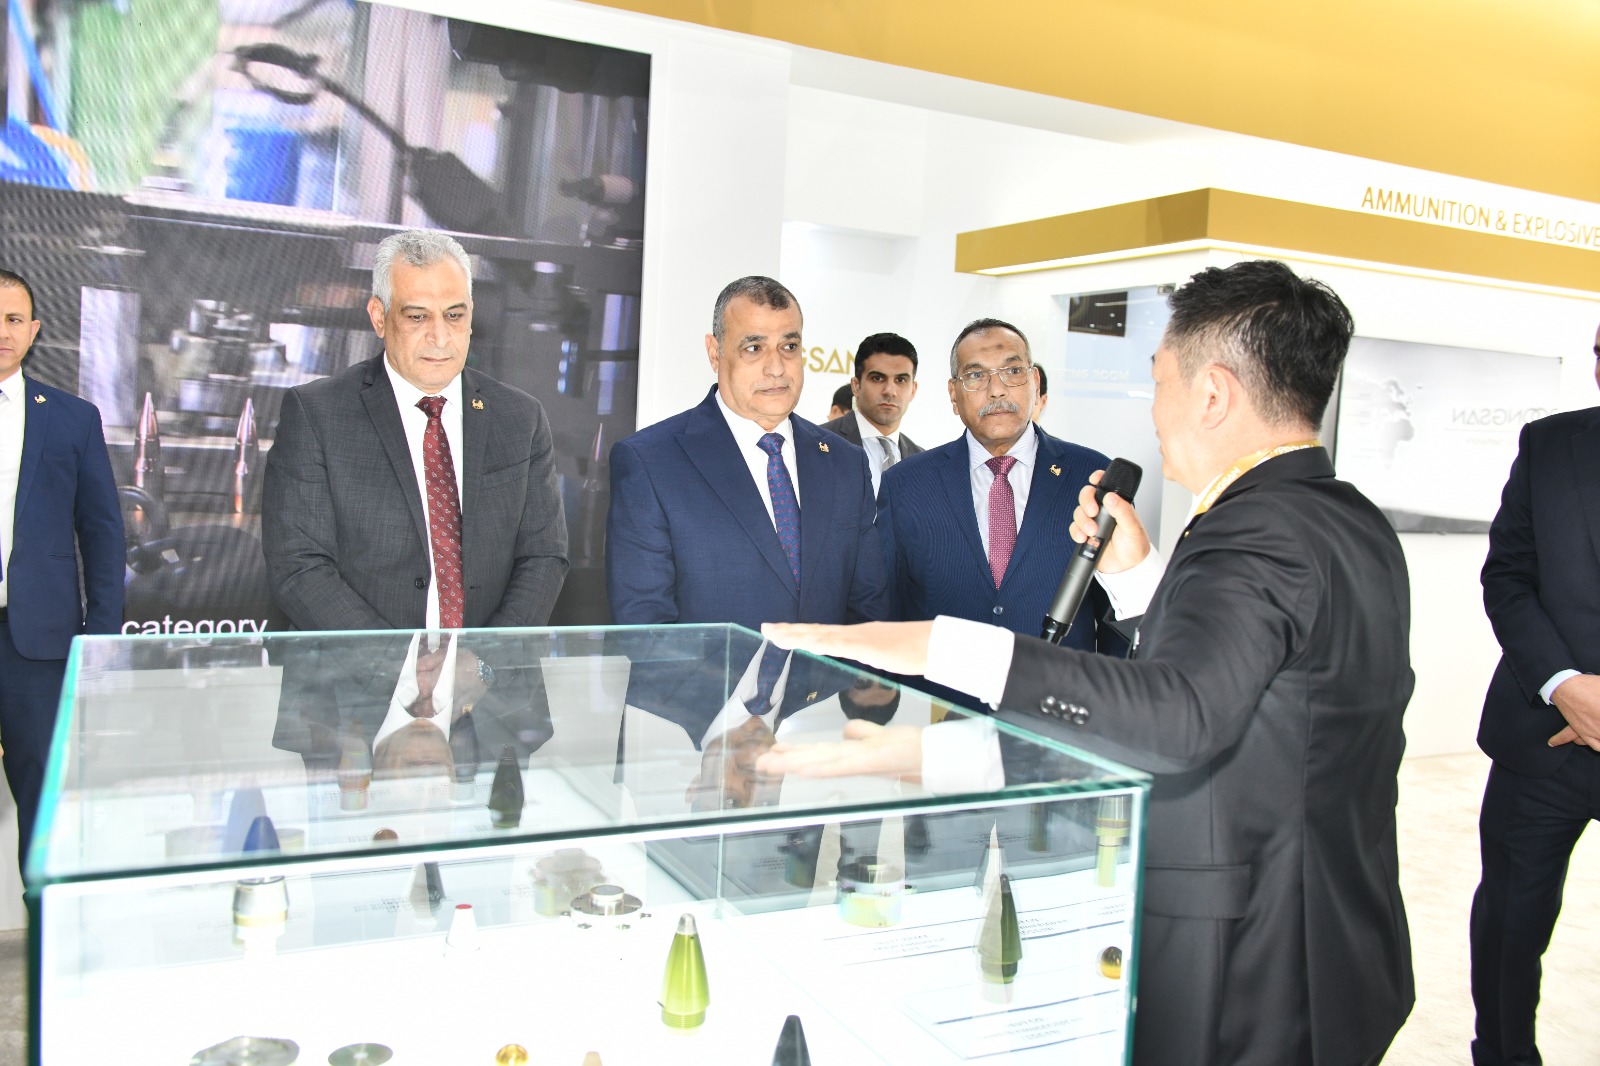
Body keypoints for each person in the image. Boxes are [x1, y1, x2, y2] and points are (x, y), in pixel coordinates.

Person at [760, 260, 1415, 1066]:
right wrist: (1136, 579)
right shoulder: (1349, 522)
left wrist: (948, 648)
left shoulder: (1255, 533)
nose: (1154, 409)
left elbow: (1178, 717)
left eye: (1160, 382)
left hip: (1253, 962)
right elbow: (1251, 695)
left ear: (1212, 394)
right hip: (1332, 943)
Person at [606, 276, 888, 749]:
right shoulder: (651, 460)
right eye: (754, 347)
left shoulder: (845, 463)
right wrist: (735, 727)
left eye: (789, 346)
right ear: (715, 352)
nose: (776, 367)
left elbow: (868, 609)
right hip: (686, 740)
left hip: (808, 737)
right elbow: (644, 627)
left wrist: (805, 709)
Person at [262, 229, 568, 633]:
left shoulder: (520, 418)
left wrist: (482, 661)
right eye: (418, 316)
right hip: (363, 671)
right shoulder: (317, 414)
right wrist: (400, 661)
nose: (440, 337)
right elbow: (299, 567)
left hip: (487, 669)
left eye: (454, 315)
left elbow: (544, 556)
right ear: (379, 317)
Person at [1471, 320, 1600, 1066]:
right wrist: (1565, 685)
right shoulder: (1549, 445)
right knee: (1511, 925)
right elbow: (1508, 576)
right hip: (1541, 740)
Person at [876, 318, 1119, 712]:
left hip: (1059, 711)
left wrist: (1111, 710)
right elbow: (885, 607)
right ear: (954, 394)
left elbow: (1113, 612)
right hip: (938, 711)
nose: (997, 389)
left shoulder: (1091, 476)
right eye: (976, 375)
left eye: (1012, 371)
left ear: (1035, 382)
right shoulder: (906, 484)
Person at [0, 269, 124, 863]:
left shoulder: (73, 418)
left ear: (34, 330)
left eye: (13, 319)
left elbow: (102, 533)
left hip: (36, 646)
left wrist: (101, 638)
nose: (3, 332)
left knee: (44, 807)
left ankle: (44, 914)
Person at [820, 332, 924, 496]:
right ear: (856, 386)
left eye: (900, 380)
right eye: (877, 378)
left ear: (913, 390)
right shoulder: (817, 443)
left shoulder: (923, 462)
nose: (890, 391)